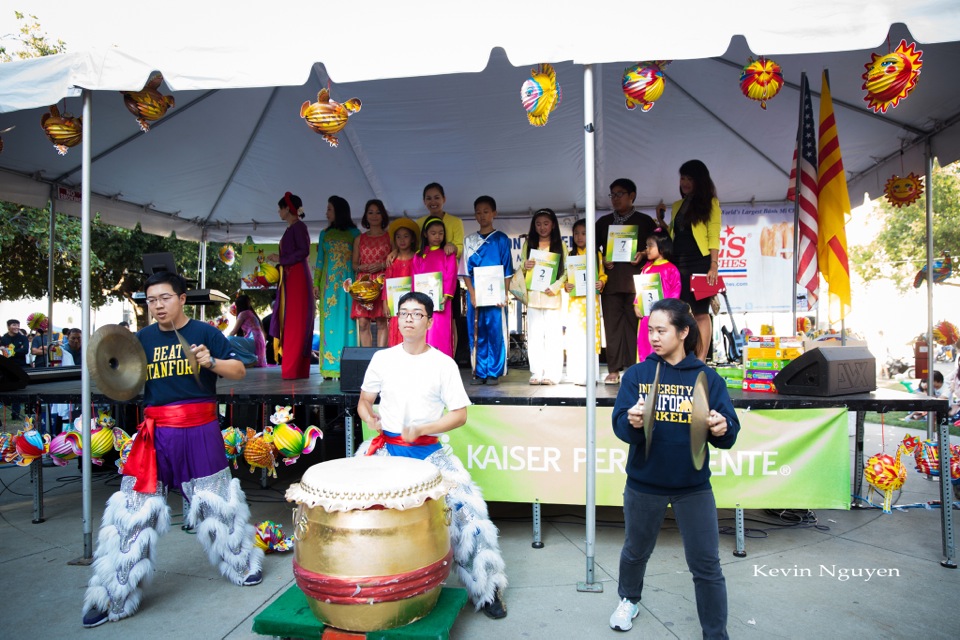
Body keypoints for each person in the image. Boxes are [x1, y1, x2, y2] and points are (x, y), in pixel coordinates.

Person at [82, 271, 262, 629]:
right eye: (151, 300)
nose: (158, 306)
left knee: (217, 501)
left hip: (200, 429)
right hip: (155, 434)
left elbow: (240, 370)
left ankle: (243, 565)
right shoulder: (139, 340)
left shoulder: (206, 333)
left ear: (182, 299)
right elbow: (119, 377)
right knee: (133, 512)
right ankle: (110, 596)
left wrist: (211, 362)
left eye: (164, 298)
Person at [356, 291, 508, 619]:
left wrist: (426, 425)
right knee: (358, 512)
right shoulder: (382, 359)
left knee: (468, 516)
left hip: (430, 452)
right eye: (404, 313)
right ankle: (363, 587)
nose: (409, 319)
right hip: (387, 450)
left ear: (428, 320)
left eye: (417, 314)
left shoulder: (443, 364)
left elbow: (459, 414)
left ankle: (487, 589)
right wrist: (368, 414)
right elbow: (364, 400)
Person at [609, 298, 739, 637]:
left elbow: (728, 434)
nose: (653, 337)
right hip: (644, 483)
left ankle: (715, 632)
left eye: (661, 330)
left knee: (706, 565)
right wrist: (632, 421)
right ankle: (629, 599)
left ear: (683, 332)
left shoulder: (708, 379)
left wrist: (722, 428)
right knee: (636, 551)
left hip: (693, 486)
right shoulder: (637, 374)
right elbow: (620, 426)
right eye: (650, 330)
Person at [656, 160, 722, 362]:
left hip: (700, 262)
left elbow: (713, 235)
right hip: (679, 262)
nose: (684, 182)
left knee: (701, 312)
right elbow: (676, 235)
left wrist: (713, 265)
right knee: (683, 311)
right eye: (682, 178)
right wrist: (660, 221)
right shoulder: (678, 205)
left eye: (690, 178)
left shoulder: (710, 202)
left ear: (699, 181)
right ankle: (686, 355)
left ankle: (701, 359)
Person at [596, 179, 658, 384]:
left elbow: (657, 247)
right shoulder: (603, 222)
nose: (615, 198)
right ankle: (613, 369)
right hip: (611, 283)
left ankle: (634, 369)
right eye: (612, 194)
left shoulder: (645, 221)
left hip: (636, 283)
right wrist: (602, 259)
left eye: (620, 194)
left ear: (632, 196)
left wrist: (642, 253)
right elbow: (592, 250)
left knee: (635, 326)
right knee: (612, 327)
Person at [463, 195, 513, 385]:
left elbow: (507, 270)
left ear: (494, 213)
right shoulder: (469, 240)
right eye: (478, 212)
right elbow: (465, 272)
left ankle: (494, 371)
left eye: (486, 211)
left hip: (496, 293)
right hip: (475, 293)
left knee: (495, 331)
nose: (482, 215)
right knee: (476, 330)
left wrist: (504, 294)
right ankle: (479, 371)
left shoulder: (501, 239)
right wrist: (472, 294)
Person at [267, 192, 315, 379]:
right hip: (290, 276)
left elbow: (303, 251)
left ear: (288, 209)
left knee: (296, 321)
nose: (278, 211)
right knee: (291, 321)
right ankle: (294, 368)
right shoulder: (291, 228)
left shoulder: (299, 227)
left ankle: (293, 368)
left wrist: (282, 259)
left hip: (297, 277)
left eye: (280, 208)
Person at [518, 208, 567, 385]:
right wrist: (526, 265)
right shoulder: (529, 244)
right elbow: (521, 269)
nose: (542, 227)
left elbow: (567, 271)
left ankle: (553, 374)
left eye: (546, 223)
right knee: (535, 336)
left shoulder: (560, 246)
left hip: (552, 298)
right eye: (538, 224)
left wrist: (555, 286)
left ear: (553, 225)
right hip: (533, 297)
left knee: (553, 336)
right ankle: (536, 372)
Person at [314, 195, 360, 378]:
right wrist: (316, 284)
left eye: (329, 209)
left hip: (348, 287)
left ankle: (346, 366)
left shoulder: (355, 234)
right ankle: (329, 367)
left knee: (348, 322)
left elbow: (358, 261)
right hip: (329, 287)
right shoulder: (324, 233)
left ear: (339, 211)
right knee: (330, 323)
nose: (326, 213)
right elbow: (319, 261)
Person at [564, 219, 607, 386]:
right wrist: (566, 285)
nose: (579, 237)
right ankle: (576, 375)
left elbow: (602, 275)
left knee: (589, 336)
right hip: (575, 303)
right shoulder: (571, 255)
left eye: (583, 233)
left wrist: (601, 283)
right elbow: (566, 278)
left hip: (591, 303)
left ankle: (591, 375)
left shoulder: (596, 254)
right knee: (576, 337)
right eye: (576, 233)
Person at [413, 217, 458, 357]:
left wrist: (446, 295)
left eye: (441, 233)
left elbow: (451, 274)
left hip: (442, 301)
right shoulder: (419, 256)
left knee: (441, 331)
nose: (437, 236)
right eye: (433, 233)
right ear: (425, 234)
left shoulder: (448, 254)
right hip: (423, 302)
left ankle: (443, 362)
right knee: (424, 330)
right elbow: (415, 277)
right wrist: (417, 299)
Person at [635, 230, 681, 362]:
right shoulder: (646, 268)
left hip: (664, 317)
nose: (647, 249)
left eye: (650, 245)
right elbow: (640, 289)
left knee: (661, 344)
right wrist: (636, 304)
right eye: (646, 245)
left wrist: (667, 310)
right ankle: (645, 373)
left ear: (662, 247)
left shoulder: (671, 269)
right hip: (646, 316)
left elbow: (675, 291)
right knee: (644, 343)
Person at [352, 199, 392, 347]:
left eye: (378, 212)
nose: (374, 215)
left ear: (383, 216)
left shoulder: (389, 237)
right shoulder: (359, 239)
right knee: (363, 322)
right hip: (363, 283)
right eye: (370, 212)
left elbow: (393, 262)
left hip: (382, 281)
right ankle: (367, 359)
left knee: (382, 321)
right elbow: (354, 264)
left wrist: (381, 265)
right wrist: (363, 268)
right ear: (365, 215)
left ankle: (380, 359)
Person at [381, 217, 420, 347]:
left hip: (413, 305)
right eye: (398, 237)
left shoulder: (417, 258)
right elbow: (387, 282)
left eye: (406, 236)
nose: (402, 240)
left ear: (412, 238)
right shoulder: (392, 260)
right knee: (395, 330)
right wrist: (385, 303)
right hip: (395, 305)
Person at [1, 319, 29, 420]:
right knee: (9, 388)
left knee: (21, 390)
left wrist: (12, 352)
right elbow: (3, 352)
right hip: (7, 367)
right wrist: (15, 350)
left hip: (21, 366)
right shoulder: (4, 338)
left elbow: (25, 350)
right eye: (14, 325)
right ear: (8, 327)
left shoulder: (23, 338)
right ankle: (11, 412)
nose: (17, 327)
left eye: (18, 325)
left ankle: (20, 414)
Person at [229, 294, 267, 368]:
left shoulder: (243, 314)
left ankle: (250, 359)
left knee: (229, 339)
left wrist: (223, 339)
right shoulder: (251, 313)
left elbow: (233, 332)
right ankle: (249, 359)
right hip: (258, 341)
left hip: (254, 340)